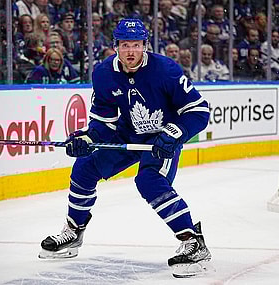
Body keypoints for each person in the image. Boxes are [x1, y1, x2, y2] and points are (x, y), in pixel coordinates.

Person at [38, 18, 211, 278]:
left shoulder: (166, 70)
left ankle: (193, 242)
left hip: (162, 139)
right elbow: (102, 123)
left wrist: (175, 132)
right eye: (126, 45)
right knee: (84, 168)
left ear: (145, 45)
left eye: (137, 45)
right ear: (116, 46)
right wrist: (87, 139)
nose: (131, 51)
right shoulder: (103, 73)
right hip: (128, 135)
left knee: (149, 181)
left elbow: (198, 110)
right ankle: (74, 230)